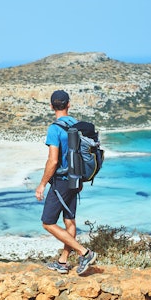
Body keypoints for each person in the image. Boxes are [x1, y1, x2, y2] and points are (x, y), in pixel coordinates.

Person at [35, 90, 97, 275]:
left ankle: (84, 252)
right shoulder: (75, 123)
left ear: (51, 106)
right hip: (76, 180)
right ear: (68, 104)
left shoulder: (54, 129)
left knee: (47, 222)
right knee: (69, 221)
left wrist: (42, 185)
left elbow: (53, 160)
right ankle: (63, 262)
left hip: (61, 181)